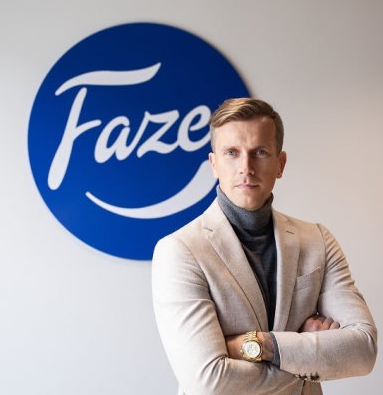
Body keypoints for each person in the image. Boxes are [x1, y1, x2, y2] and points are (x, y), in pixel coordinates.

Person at [152, 98, 377, 395]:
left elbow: (362, 350)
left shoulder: (318, 240)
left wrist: (257, 345)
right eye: (232, 153)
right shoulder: (180, 250)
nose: (246, 168)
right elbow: (207, 381)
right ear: (214, 164)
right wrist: (305, 353)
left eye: (260, 152)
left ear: (280, 164)